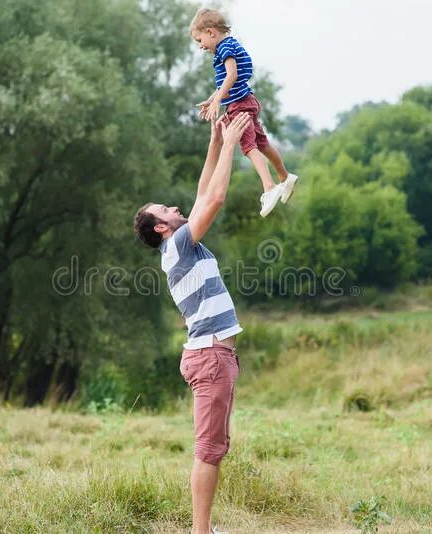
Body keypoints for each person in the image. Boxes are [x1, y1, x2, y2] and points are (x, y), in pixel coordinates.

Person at [133, 113, 253, 534]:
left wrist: (215, 142)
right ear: (162, 227)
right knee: (208, 451)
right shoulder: (181, 245)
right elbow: (215, 197)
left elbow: (203, 193)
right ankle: (200, 533)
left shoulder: (179, 247)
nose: (177, 206)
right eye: (167, 209)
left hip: (214, 355)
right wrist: (236, 145)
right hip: (211, 356)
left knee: (213, 448)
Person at [190, 8, 298, 217]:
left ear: (211, 32)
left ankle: (269, 187)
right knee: (262, 143)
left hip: (240, 105)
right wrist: (213, 99)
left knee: (249, 147)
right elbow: (226, 81)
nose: (200, 45)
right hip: (247, 101)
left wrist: (219, 100)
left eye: (199, 39)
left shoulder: (223, 48)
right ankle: (284, 177)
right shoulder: (229, 44)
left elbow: (232, 75)